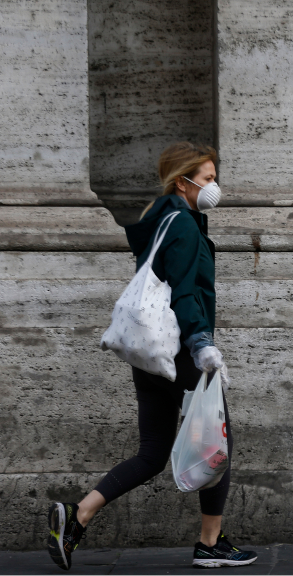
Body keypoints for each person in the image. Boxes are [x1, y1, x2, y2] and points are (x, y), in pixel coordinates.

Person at [46, 142, 257, 570]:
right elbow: (184, 291)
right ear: (183, 183)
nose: (214, 186)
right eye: (208, 178)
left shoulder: (159, 220)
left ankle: (78, 515)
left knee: (153, 452)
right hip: (181, 350)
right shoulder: (183, 225)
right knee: (217, 443)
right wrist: (202, 344)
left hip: (151, 353)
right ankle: (210, 544)